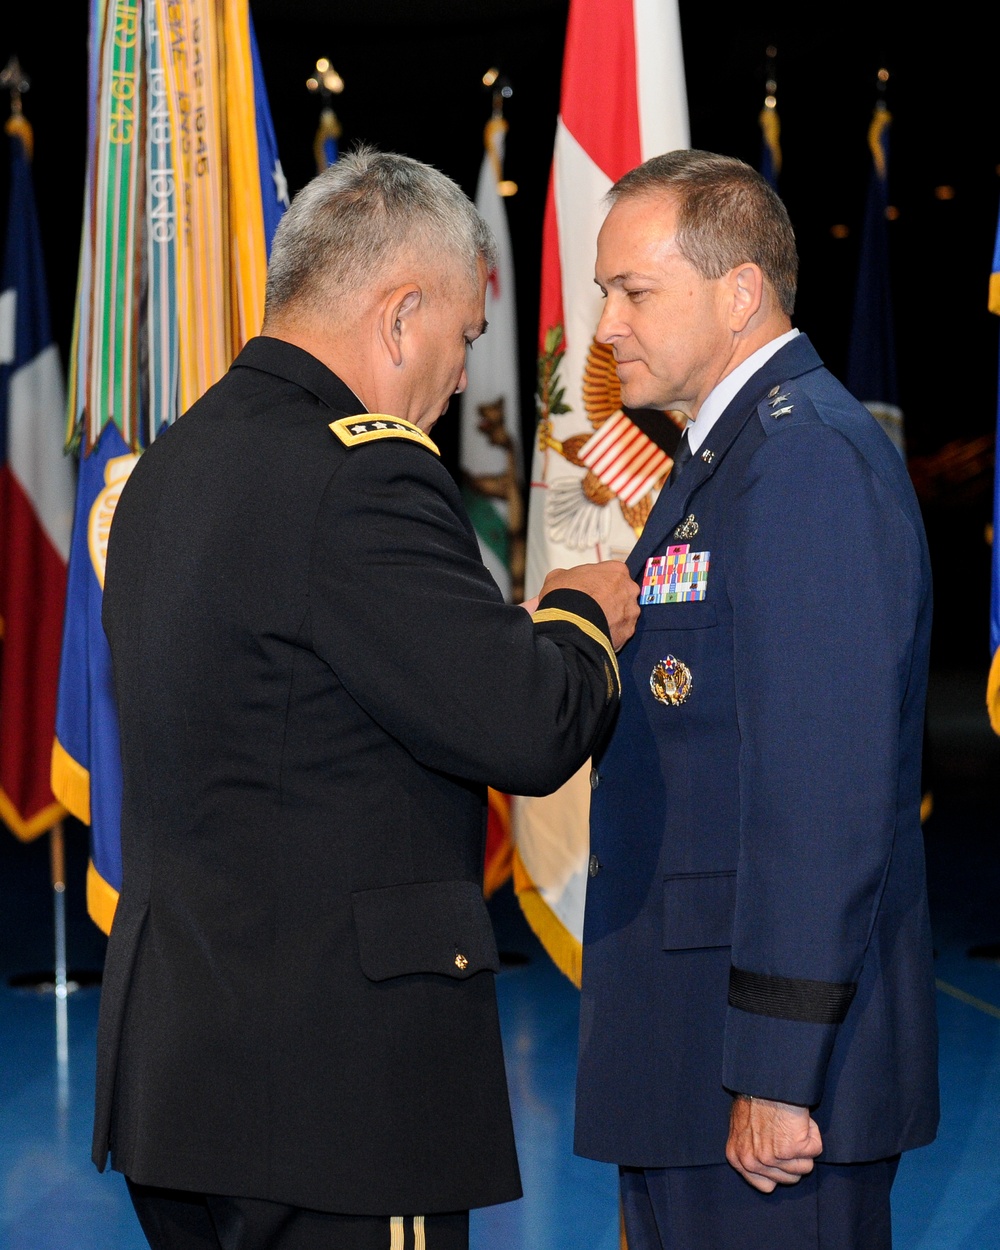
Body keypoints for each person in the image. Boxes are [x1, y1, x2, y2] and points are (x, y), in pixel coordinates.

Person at [92, 147, 640, 1250]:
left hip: (181, 1080)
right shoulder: (360, 474)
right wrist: (580, 612)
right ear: (399, 316)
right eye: (464, 338)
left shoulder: (171, 467)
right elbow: (525, 719)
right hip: (331, 1096)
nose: (456, 379)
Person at [574, 150, 938, 1249]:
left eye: (633, 291)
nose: (605, 326)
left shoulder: (804, 463)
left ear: (739, 291)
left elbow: (823, 793)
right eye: (603, 293)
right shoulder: (725, 460)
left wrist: (779, 1066)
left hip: (765, 1079)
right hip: (692, 1049)